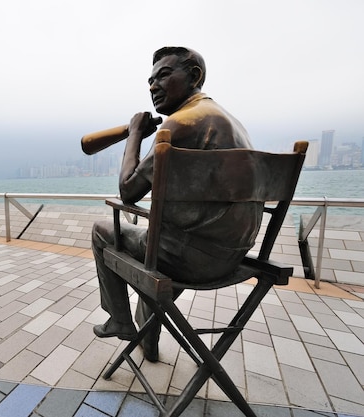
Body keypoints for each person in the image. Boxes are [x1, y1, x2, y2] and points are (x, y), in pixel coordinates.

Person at [91, 46, 264, 361]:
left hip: (193, 260)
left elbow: (128, 191)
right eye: (150, 80)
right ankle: (149, 338)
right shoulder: (230, 122)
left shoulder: (182, 123)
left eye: (164, 75)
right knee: (157, 250)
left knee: (103, 231)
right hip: (232, 255)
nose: (153, 86)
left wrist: (134, 133)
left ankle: (120, 320)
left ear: (195, 76)